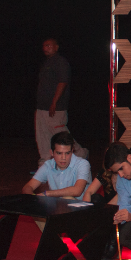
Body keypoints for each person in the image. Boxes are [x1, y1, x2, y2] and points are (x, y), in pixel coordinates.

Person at [35, 38, 86, 167]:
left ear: (56, 47)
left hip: (56, 107)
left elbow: (63, 82)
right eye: (44, 46)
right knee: (42, 134)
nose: (45, 48)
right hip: (42, 106)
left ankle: (80, 153)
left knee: (60, 134)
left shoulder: (60, 62)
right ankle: (45, 161)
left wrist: (54, 102)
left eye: (48, 45)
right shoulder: (46, 63)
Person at [22, 131, 93, 200]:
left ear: (72, 151)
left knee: (67, 198)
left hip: (80, 206)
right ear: (51, 153)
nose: (63, 158)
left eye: (67, 153)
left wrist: (47, 194)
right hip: (57, 206)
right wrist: (33, 198)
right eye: (59, 153)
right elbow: (27, 187)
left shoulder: (83, 164)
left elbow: (77, 191)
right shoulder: (48, 165)